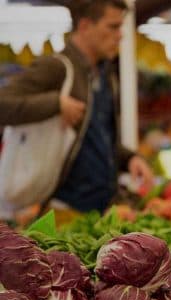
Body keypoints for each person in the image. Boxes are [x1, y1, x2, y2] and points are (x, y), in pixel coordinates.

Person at [0, 0, 154, 214]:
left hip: (101, 209)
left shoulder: (105, 75)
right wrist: (55, 103)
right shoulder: (56, 68)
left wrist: (129, 158)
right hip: (61, 210)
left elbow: (98, 137)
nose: (121, 35)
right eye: (113, 26)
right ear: (84, 26)